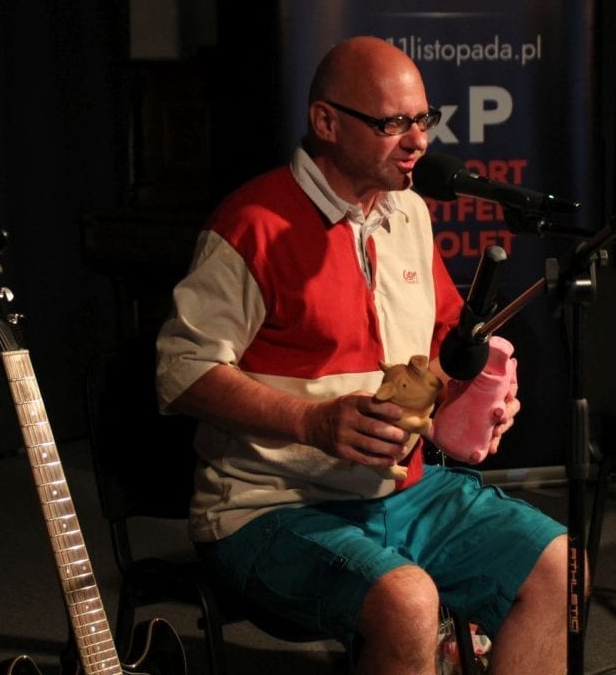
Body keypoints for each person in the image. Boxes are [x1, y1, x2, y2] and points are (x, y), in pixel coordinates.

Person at [155, 35, 577, 674]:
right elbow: (181, 372)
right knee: (408, 601)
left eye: (424, 120)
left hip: (401, 491)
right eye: (393, 124)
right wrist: (312, 421)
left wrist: (480, 398)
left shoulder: (409, 212)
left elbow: (440, 344)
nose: (419, 142)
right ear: (326, 122)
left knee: (559, 567)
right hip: (269, 506)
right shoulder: (252, 224)